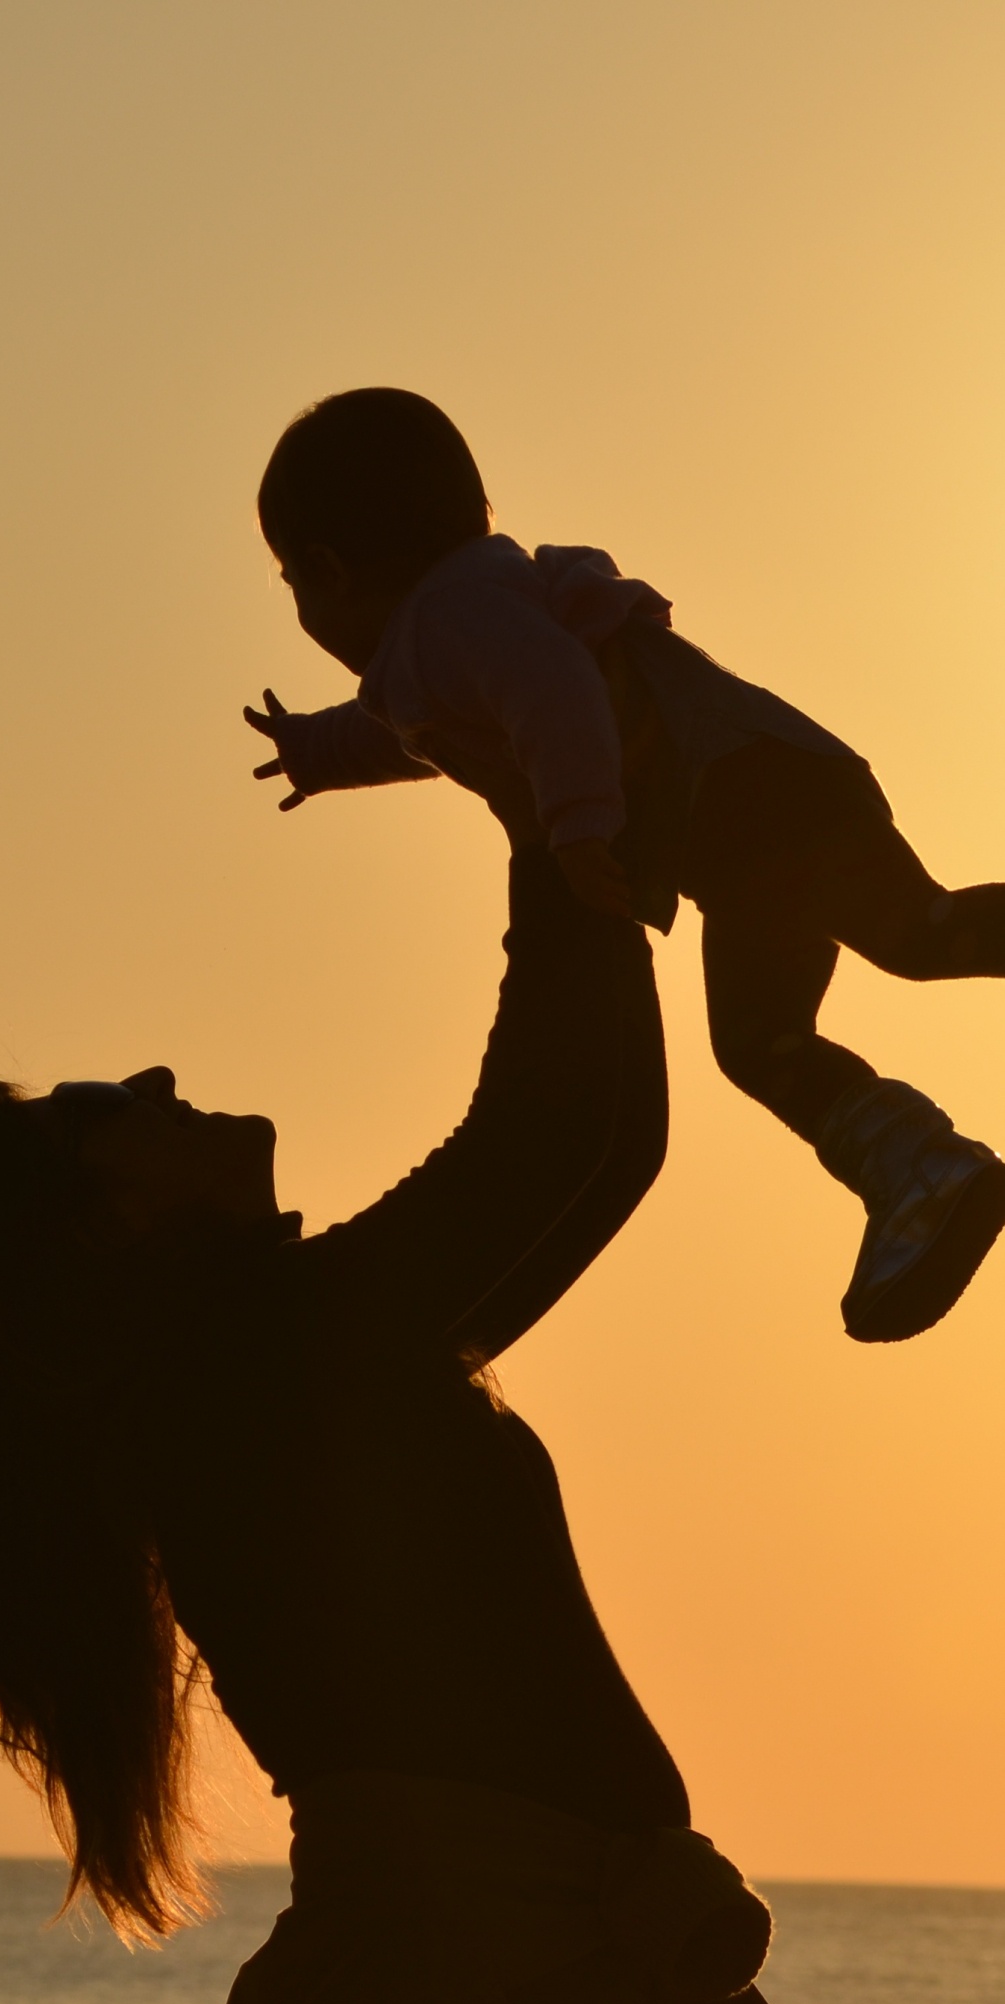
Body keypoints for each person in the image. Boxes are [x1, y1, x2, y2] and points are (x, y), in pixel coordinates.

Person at [0, 813, 808, 2004]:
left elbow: (594, 1153)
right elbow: (562, 1138)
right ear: (105, 1226)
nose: (159, 1077)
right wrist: (550, 813)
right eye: (112, 1110)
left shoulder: (283, 1366)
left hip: (510, 1990)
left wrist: (572, 842)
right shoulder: (266, 1364)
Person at [249, 385, 1005, 1347]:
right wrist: (316, 752)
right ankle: (921, 1171)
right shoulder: (457, 625)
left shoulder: (451, 619)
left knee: (891, 951)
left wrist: (576, 828)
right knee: (805, 1011)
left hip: (751, 792)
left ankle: (923, 1169)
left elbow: (552, 690)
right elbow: (421, 727)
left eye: (293, 582)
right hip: (745, 828)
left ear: (327, 569)